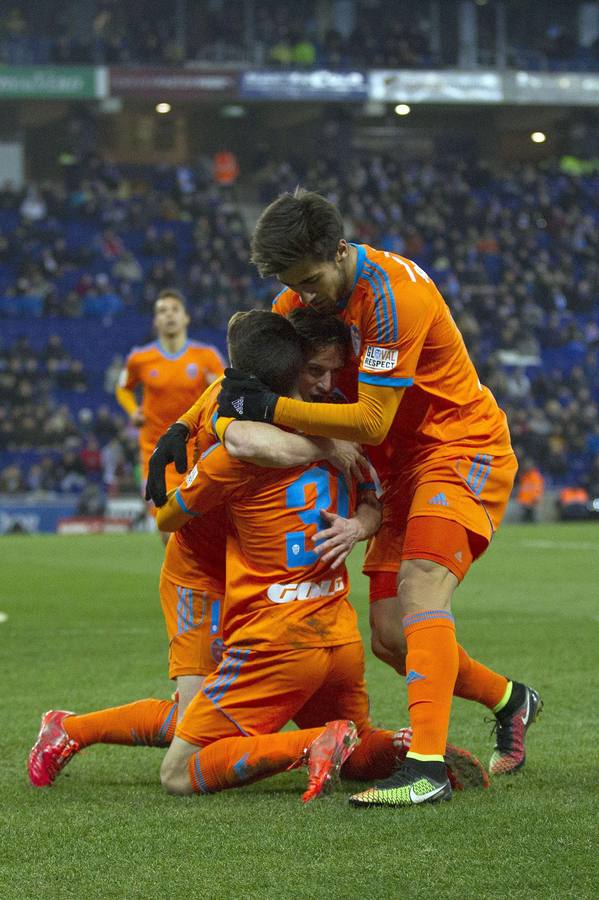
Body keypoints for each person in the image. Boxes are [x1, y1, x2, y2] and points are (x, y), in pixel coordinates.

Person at [29, 312, 487, 801]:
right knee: (194, 716)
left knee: (203, 735)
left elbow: (373, 500)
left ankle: (353, 745)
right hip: (203, 571)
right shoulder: (243, 421)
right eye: (314, 372)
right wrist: (321, 446)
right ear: (282, 373)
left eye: (333, 372)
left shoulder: (331, 416)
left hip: (267, 593)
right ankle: (70, 729)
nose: (326, 385)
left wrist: (355, 522)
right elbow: (240, 445)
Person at [211, 189, 543, 808]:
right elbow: (247, 376)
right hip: (397, 476)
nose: (304, 297)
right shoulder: (295, 300)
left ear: (339, 251)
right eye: (293, 285)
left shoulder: (395, 295)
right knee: (392, 637)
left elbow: (370, 422)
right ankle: (509, 699)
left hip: (456, 449)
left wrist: (269, 410)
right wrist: (188, 425)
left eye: (311, 280)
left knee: (421, 589)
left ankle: (426, 770)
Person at [115, 288, 225, 538]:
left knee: (203, 527)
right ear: (155, 321)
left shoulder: (207, 357)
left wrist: (216, 391)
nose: (169, 315)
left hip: (197, 451)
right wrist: (133, 411)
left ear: (186, 317)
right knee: (167, 528)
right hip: (156, 454)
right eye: (162, 311)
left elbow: (225, 390)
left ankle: (195, 576)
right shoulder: (140, 359)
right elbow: (123, 389)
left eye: (175, 309)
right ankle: (180, 575)